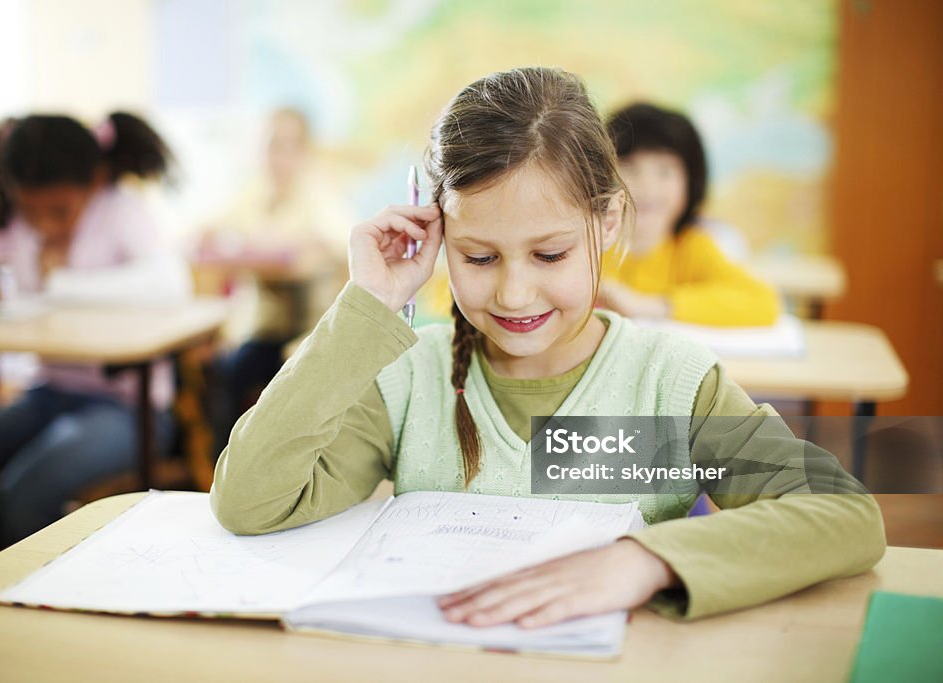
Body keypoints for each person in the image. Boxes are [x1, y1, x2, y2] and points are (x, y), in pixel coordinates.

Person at [210, 67, 884, 625]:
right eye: (478, 257)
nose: (514, 294)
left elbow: (843, 513)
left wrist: (649, 558)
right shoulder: (411, 376)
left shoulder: (664, 385)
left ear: (609, 219)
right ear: (437, 235)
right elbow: (250, 500)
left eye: (550, 252)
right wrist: (368, 305)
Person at [0, 113, 192, 570]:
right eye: (30, 212)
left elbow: (170, 282)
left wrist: (59, 283)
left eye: (60, 211)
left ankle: (25, 579)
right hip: (49, 395)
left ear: (95, 180)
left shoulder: (119, 209)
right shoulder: (14, 222)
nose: (44, 227)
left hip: (129, 408)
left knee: (26, 489)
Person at [199, 107, 352, 458]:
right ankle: (220, 470)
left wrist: (249, 249)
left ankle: (286, 467)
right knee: (227, 372)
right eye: (270, 145)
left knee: (289, 382)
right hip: (260, 332)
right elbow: (205, 234)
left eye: (287, 146)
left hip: (310, 332)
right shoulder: (252, 196)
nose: (277, 157)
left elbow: (321, 252)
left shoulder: (320, 195)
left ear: (304, 152)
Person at [598, 102, 780, 326]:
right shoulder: (588, 244)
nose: (646, 186)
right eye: (629, 167)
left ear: (691, 182)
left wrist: (650, 305)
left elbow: (761, 301)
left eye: (664, 171)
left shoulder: (691, 248)